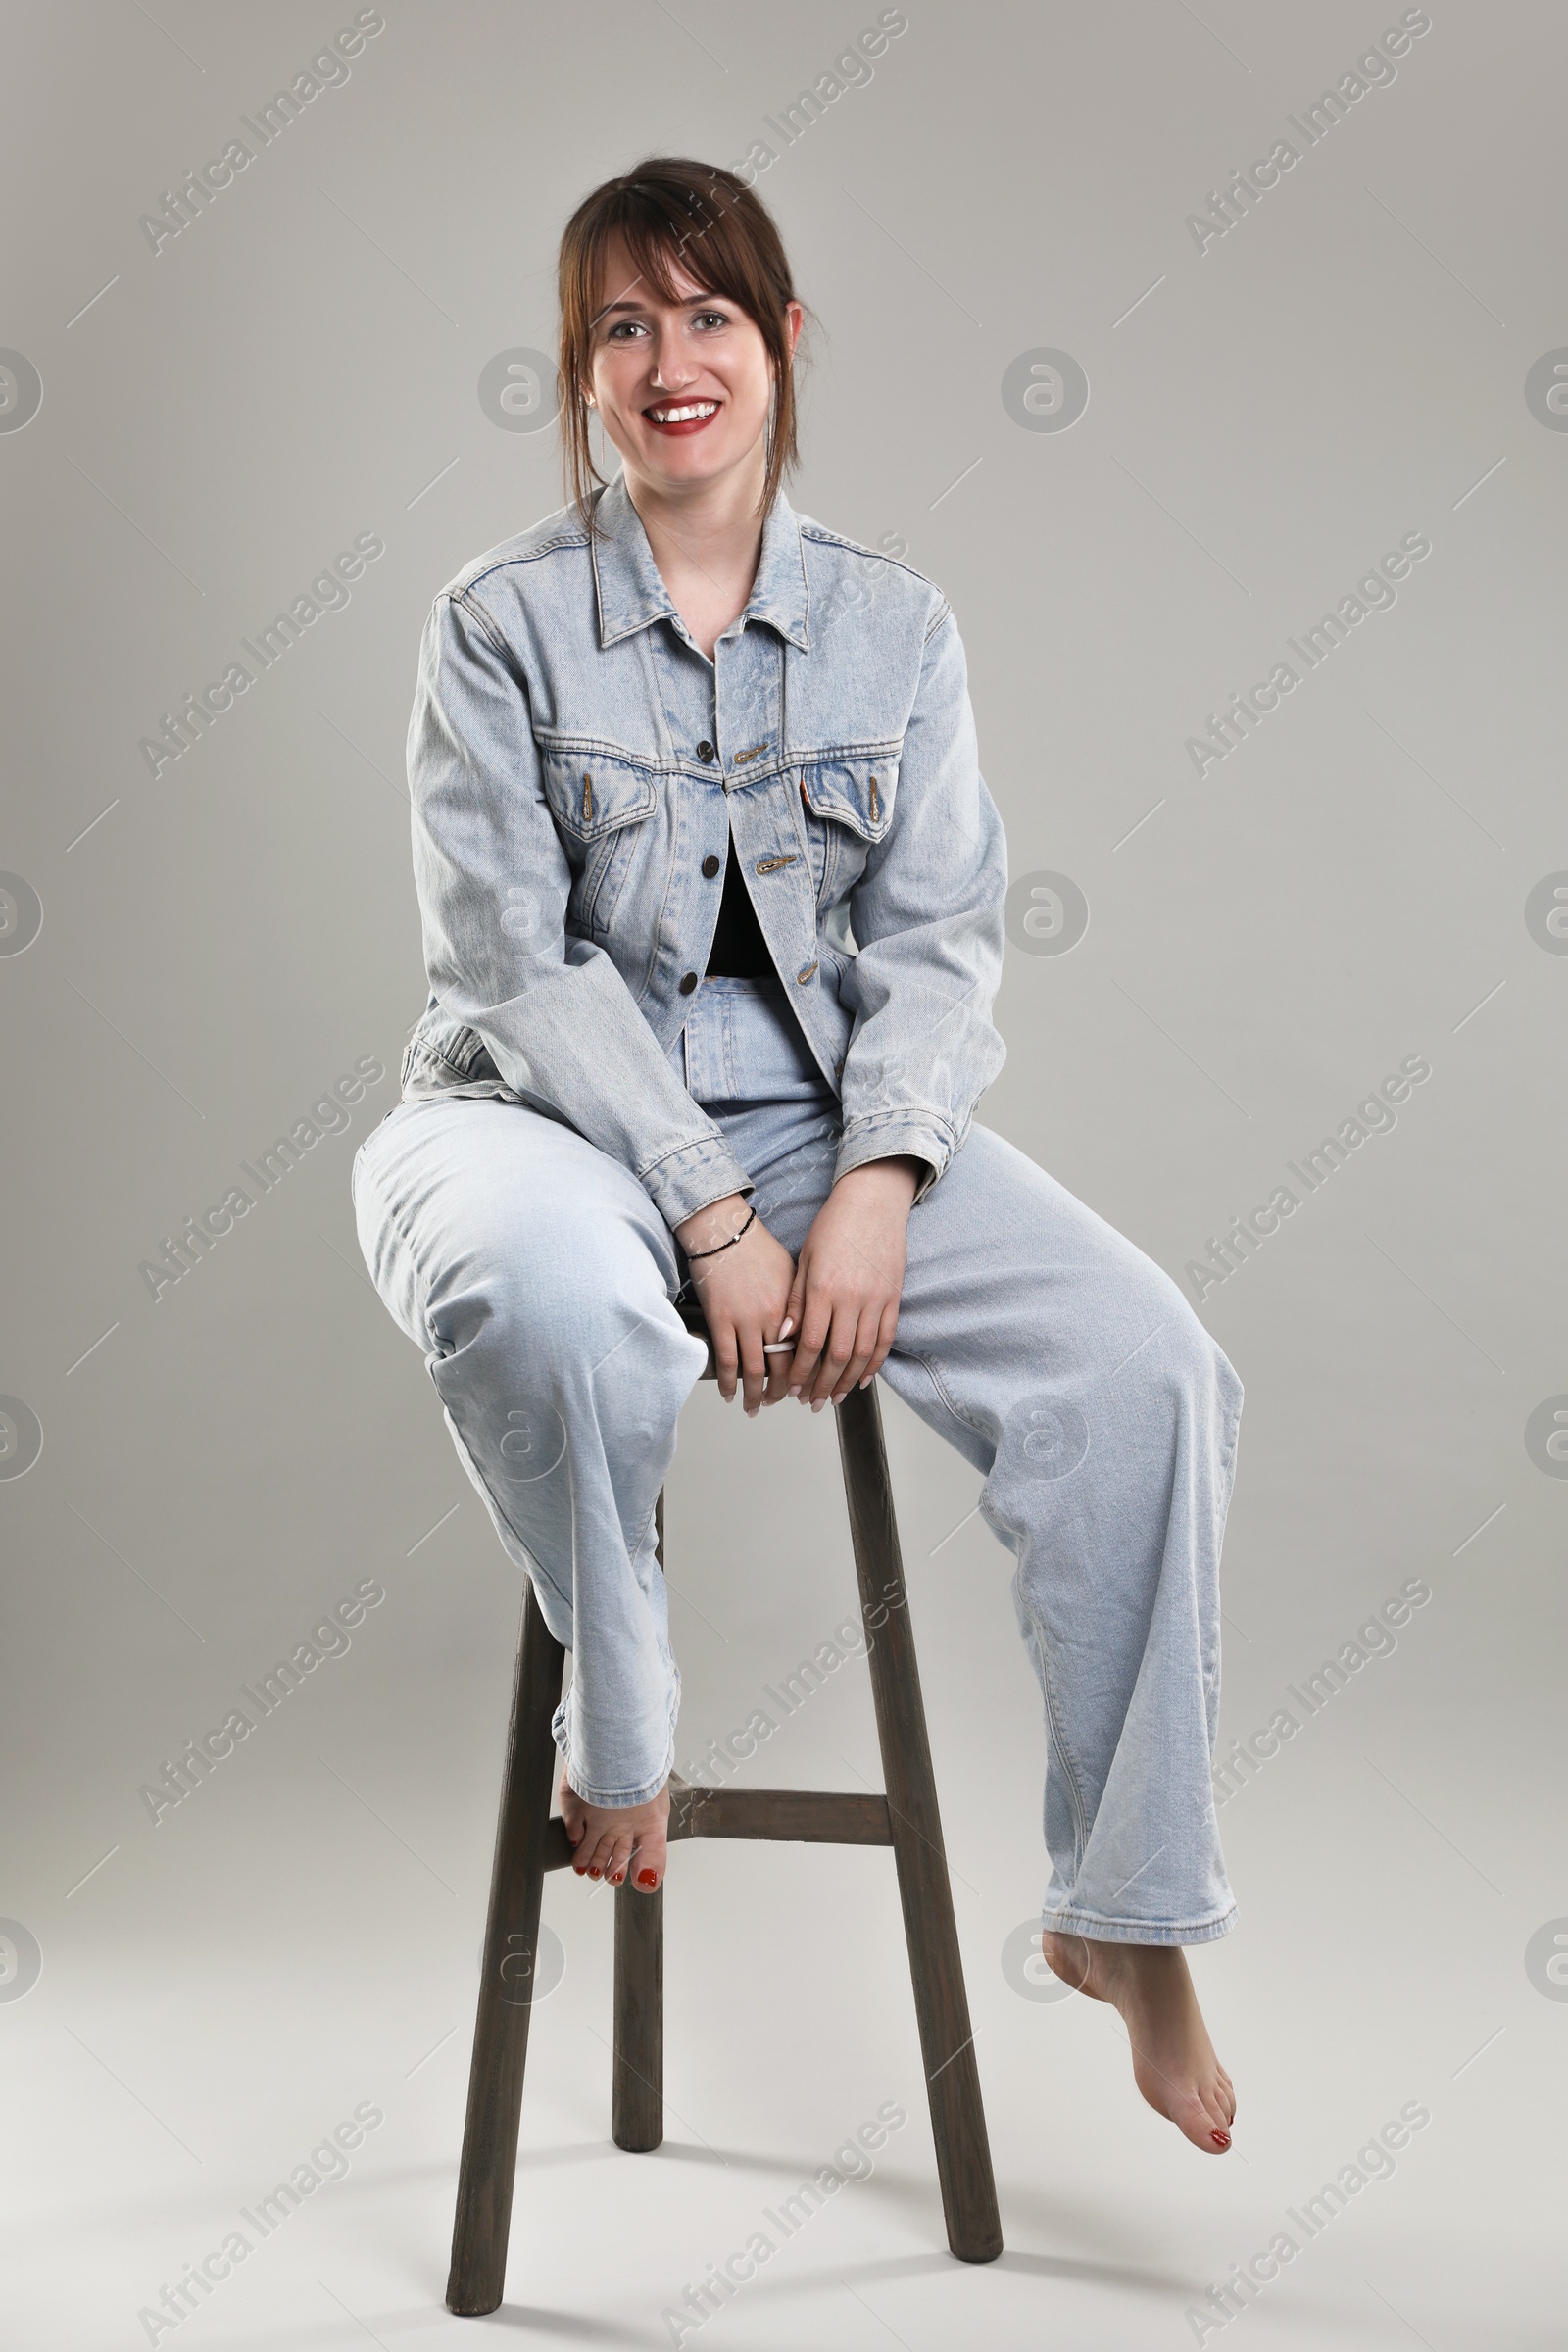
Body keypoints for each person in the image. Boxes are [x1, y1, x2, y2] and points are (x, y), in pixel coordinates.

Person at [353, 158, 1242, 2156]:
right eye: (621, 326)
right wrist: (707, 1211)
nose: (669, 362)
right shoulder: (497, 626)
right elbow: (511, 961)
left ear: (779, 345)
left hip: (822, 1122)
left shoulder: (891, 630)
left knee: (1147, 1368)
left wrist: (868, 1184)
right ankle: (630, 1728)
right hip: (531, 1113)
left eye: (708, 318)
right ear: (580, 372)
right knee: (544, 1298)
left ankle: (1127, 1917)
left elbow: (932, 944)